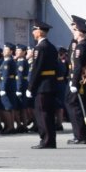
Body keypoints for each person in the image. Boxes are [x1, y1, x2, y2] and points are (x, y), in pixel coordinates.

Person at [27, 20, 62, 149]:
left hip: (42, 86)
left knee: (42, 114)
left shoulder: (40, 48)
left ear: (40, 32)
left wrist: (31, 87)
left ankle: (46, 140)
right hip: (50, 84)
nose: (32, 32)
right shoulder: (51, 46)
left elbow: (37, 69)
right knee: (48, 113)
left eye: (34, 30)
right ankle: (50, 139)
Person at [66, 17, 86, 143]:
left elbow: (77, 67)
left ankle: (80, 136)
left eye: (75, 31)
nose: (74, 33)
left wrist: (74, 82)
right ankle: (84, 136)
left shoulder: (81, 47)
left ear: (80, 32)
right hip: (85, 81)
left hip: (80, 81)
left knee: (76, 108)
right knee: (82, 107)